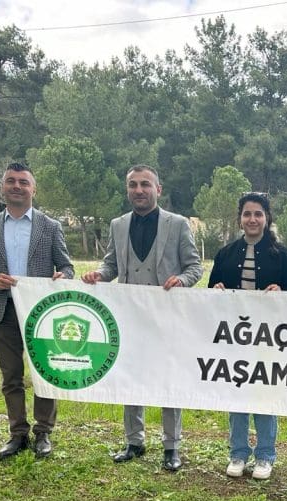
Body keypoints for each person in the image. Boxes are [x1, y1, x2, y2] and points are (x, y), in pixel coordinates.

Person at [82, 165, 203, 471]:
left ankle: (171, 446)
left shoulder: (177, 224)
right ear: (128, 190)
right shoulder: (117, 225)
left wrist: (182, 281)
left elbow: (194, 267)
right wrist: (100, 274)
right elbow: (111, 266)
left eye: (145, 184)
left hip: (166, 318)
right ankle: (134, 441)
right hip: (129, 317)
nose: (139, 190)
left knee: (168, 380)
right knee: (130, 378)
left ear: (158, 189)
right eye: (133, 185)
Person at [0, 162, 74, 460]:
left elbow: (66, 266)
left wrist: (63, 277)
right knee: (11, 376)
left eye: (23, 182)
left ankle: (43, 433)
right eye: (11, 181)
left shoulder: (50, 226)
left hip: (41, 313)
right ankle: (17, 434)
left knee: (45, 373)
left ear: (33, 189)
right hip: (3, 311)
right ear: (2, 187)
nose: (17, 186)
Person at [208, 192, 287, 480]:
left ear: (267, 218)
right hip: (234, 339)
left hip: (270, 339)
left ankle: (265, 455)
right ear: (240, 219)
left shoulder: (282, 254)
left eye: (258, 214)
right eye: (247, 214)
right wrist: (218, 290)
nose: (252, 219)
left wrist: (282, 293)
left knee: (264, 396)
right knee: (237, 396)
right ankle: (237, 453)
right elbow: (211, 292)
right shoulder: (226, 254)